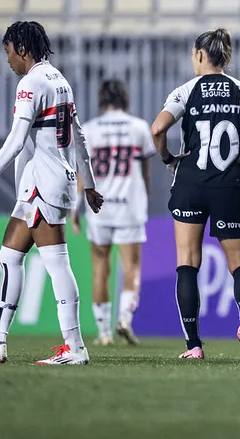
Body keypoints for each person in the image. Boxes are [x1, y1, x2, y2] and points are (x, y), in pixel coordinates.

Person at [0, 21, 103, 365]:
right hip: (47, 182)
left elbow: (15, 140)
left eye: (8, 51)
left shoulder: (31, 83)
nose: (7, 59)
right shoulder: (59, 80)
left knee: (57, 264)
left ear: (21, 49)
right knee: (10, 257)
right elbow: (80, 136)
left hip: (44, 183)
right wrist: (88, 183)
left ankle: (75, 347)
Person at [151, 28, 240, 360]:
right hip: (229, 187)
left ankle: (194, 345)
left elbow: (157, 129)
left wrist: (168, 159)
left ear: (199, 54)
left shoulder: (186, 90)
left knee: (187, 264)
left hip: (191, 185)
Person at [70, 79, 155, 346]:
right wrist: (145, 198)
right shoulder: (139, 127)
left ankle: (103, 332)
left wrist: (76, 207)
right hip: (129, 205)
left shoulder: (91, 129)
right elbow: (145, 172)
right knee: (132, 267)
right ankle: (125, 319)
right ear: (125, 99)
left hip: (99, 208)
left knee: (100, 269)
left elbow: (83, 172)